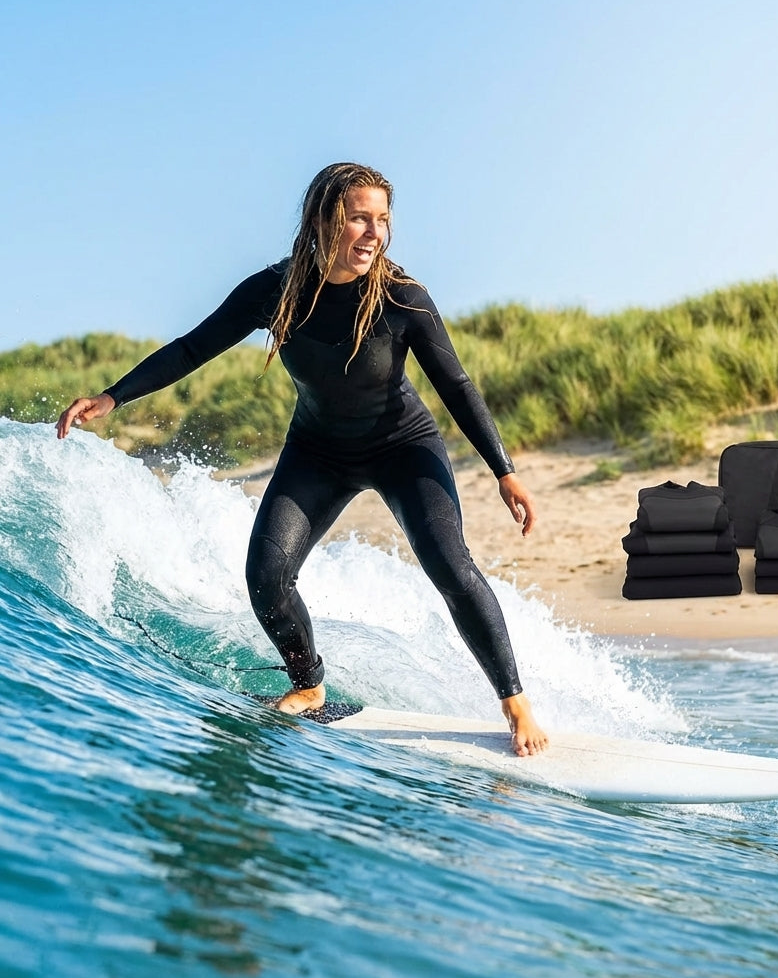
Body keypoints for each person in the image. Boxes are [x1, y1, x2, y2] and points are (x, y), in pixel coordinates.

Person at [56, 162, 548, 756]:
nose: (374, 233)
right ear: (323, 220)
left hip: (403, 447)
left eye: (382, 220)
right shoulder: (277, 290)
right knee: (266, 575)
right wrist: (113, 397)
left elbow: (457, 385)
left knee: (449, 565)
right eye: (359, 218)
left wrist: (504, 471)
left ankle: (515, 703)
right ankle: (309, 685)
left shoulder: (402, 298)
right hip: (318, 450)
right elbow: (192, 348)